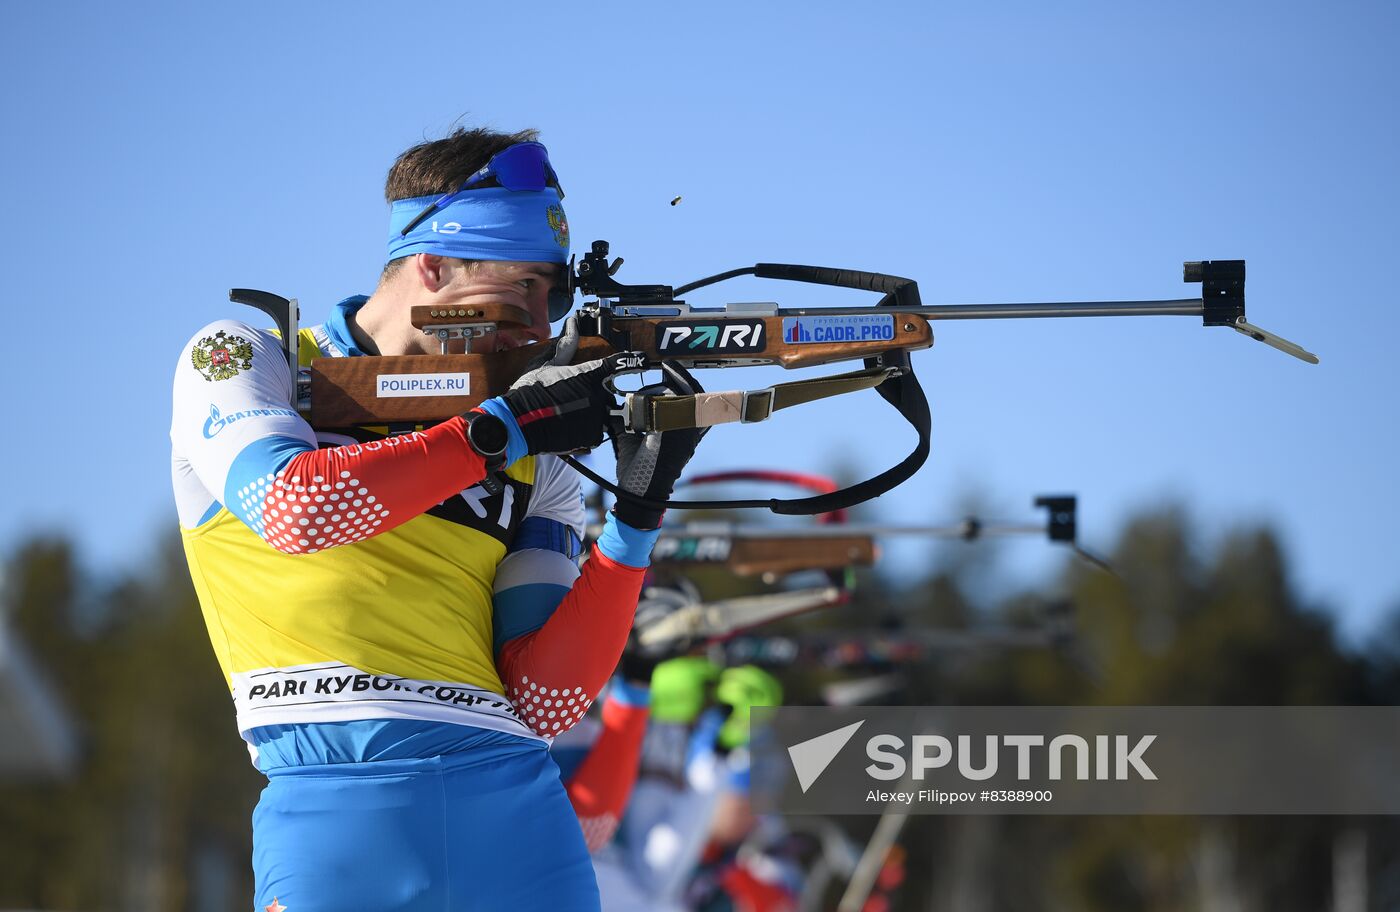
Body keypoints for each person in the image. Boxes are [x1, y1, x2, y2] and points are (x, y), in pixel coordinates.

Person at [169, 127, 701, 912]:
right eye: (524, 285)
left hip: (519, 823)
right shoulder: (251, 357)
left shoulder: (535, 458)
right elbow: (295, 508)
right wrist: (497, 430)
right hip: (336, 817)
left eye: (556, 296)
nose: (540, 323)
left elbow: (543, 704)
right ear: (434, 265)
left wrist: (634, 517)